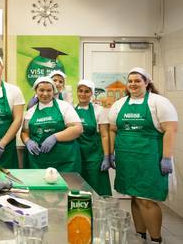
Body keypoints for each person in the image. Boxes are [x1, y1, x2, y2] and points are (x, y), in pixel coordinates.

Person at [109, 67, 178, 243]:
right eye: (130, 81)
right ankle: (140, 236)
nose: (133, 84)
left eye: (137, 80)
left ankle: (156, 239)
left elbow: (170, 129)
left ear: (147, 83)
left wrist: (166, 157)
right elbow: (113, 129)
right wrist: (110, 154)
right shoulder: (119, 104)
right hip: (127, 159)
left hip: (151, 159)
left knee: (147, 200)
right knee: (134, 197)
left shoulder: (158, 102)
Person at [21, 76, 83, 172]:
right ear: (36, 91)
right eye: (41, 90)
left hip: (65, 162)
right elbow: (24, 132)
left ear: (53, 91)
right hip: (39, 163)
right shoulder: (30, 112)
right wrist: (27, 141)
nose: (45, 94)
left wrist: (55, 137)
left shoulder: (64, 106)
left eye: (49, 90)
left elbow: (78, 129)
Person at [75, 79, 111, 196]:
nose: (83, 94)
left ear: (91, 93)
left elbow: (105, 135)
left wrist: (107, 156)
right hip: (77, 155)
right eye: (80, 91)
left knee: (96, 188)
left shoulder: (99, 110)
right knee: (78, 188)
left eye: (86, 91)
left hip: (94, 156)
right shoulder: (71, 109)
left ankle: (99, 213)